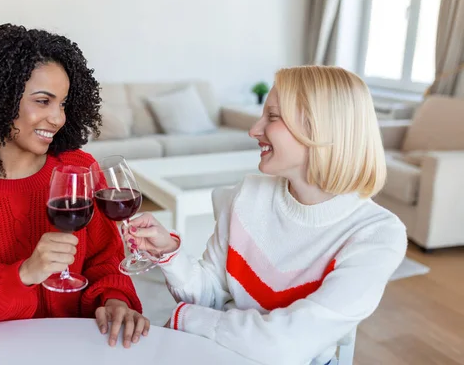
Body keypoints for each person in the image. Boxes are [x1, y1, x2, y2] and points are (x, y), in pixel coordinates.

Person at [127, 66, 407, 364]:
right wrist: (170, 253)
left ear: (319, 128)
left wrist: (188, 319)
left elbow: (285, 346)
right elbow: (208, 296)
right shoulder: (247, 196)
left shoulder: (377, 236)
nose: (253, 130)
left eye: (272, 117)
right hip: (224, 352)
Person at [0, 24, 149, 348]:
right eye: (43, 101)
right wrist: (23, 274)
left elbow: (104, 259)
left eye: (63, 103)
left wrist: (114, 300)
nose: (57, 118)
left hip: (79, 347)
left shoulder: (79, 168)